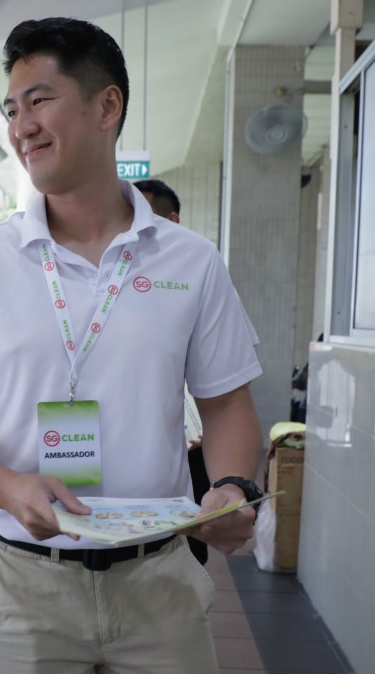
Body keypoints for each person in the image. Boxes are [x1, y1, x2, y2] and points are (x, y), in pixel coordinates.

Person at [0, 17, 264, 673]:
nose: (22, 126)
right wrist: (8, 487)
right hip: (22, 580)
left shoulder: (192, 261)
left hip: (158, 578)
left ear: (107, 105)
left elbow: (228, 405)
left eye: (40, 100)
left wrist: (232, 485)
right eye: (13, 110)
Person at [134, 177, 210, 565]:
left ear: (173, 221)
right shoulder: (115, 279)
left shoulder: (196, 273)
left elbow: (220, 385)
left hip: (189, 441)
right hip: (126, 444)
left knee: (190, 543)